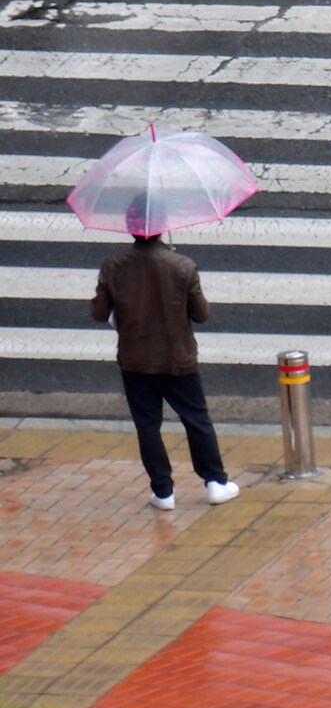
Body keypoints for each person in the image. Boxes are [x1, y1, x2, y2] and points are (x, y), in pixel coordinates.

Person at [90, 198, 240, 511]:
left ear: (131, 229)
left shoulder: (112, 266)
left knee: (147, 425)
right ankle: (215, 481)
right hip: (178, 358)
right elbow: (202, 314)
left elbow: (98, 311)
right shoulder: (182, 266)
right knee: (196, 419)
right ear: (162, 228)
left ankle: (163, 491)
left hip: (134, 359)